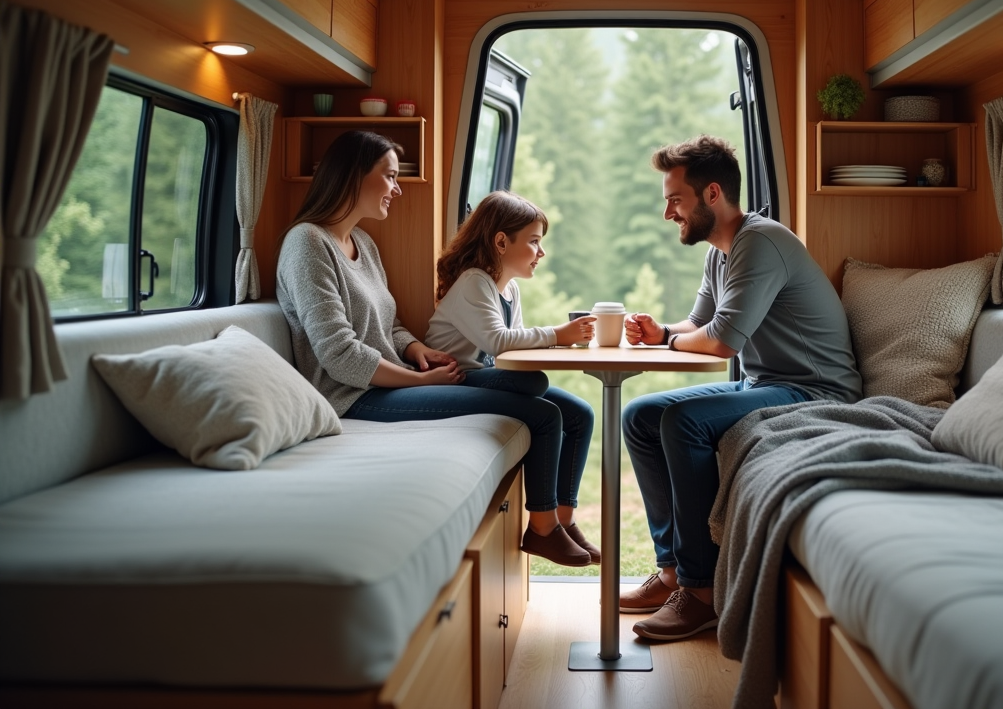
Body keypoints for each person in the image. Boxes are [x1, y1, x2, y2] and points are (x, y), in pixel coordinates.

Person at [275, 131, 595, 567]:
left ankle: (558, 521)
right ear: (353, 177)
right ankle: (542, 531)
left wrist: (416, 350)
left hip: (393, 380)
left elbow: (389, 326)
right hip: (352, 396)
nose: (397, 187)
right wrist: (418, 380)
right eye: (388, 176)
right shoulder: (307, 244)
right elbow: (340, 355)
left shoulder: (363, 245)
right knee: (543, 412)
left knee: (568, 408)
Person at [619, 134, 862, 641]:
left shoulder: (760, 242)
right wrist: (662, 334)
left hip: (817, 393)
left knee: (681, 422)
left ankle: (702, 592)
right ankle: (672, 574)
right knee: (640, 417)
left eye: (674, 200)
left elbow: (723, 341)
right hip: (771, 383)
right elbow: (698, 324)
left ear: (712, 195)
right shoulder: (720, 252)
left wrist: (671, 344)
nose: (669, 214)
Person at [426, 190, 600, 565]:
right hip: (456, 379)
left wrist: (560, 342)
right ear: (502, 242)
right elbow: (499, 343)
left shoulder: (509, 288)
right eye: (534, 242)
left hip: (488, 378)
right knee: (538, 394)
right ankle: (541, 529)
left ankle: (562, 523)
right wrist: (559, 335)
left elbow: (513, 353)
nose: (541, 252)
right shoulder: (474, 281)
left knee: (580, 414)